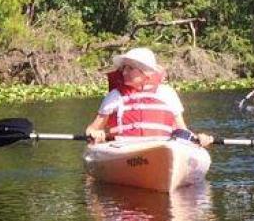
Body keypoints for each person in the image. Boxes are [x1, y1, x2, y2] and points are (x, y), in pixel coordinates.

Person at [84, 47, 212, 146]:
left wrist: (198, 138)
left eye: (130, 68)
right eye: (124, 68)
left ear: (146, 73)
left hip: (161, 148)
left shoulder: (167, 93)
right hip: (123, 147)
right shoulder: (115, 96)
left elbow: (181, 129)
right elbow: (92, 128)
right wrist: (94, 133)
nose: (124, 72)